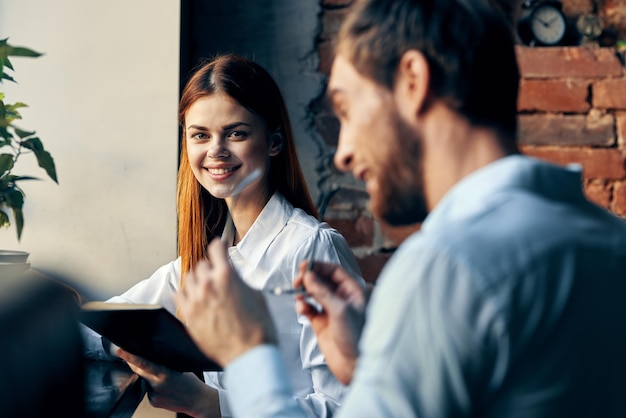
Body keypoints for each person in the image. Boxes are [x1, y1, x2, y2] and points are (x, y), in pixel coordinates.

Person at [174, 0, 626, 417]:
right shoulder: (609, 240)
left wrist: (249, 354)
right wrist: (366, 370)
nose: (343, 154)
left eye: (348, 110)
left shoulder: (446, 267)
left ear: (413, 81)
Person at [83, 53, 364, 418]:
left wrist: (211, 404)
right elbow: (100, 324)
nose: (215, 150)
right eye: (200, 135)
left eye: (236, 133)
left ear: (274, 142)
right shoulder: (207, 259)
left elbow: (349, 407)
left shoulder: (310, 248)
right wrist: (122, 345)